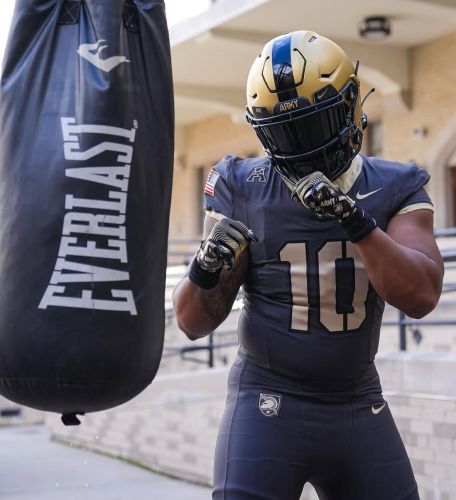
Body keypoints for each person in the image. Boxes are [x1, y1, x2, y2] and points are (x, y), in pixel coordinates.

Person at [173, 30, 444, 500]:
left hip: (357, 401)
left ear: (349, 103)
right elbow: (192, 323)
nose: (302, 146)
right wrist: (205, 268)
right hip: (266, 401)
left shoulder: (395, 185)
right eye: (284, 131)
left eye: (314, 124)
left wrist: (355, 221)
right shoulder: (243, 185)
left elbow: (421, 297)